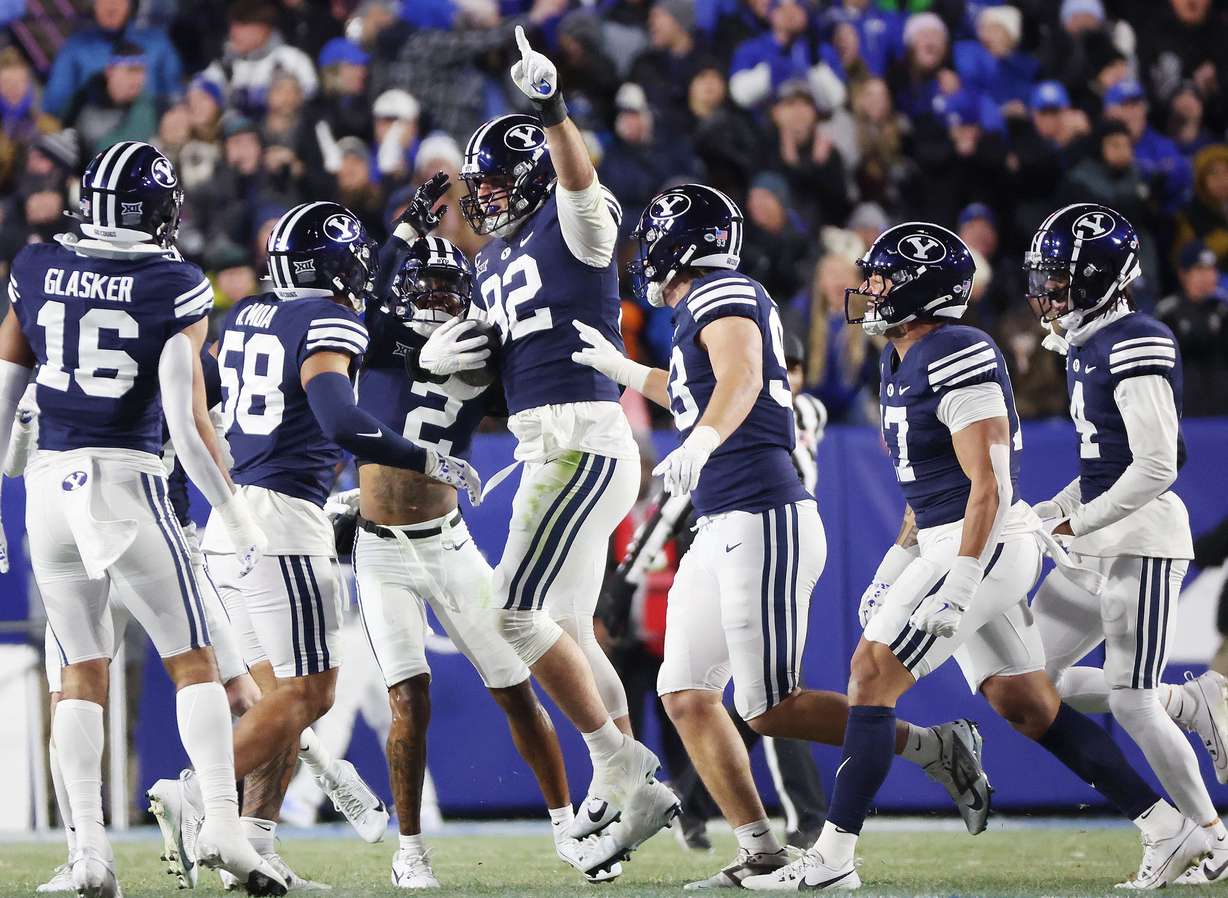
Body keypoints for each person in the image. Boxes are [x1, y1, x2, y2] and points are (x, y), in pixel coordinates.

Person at [740, 221, 1194, 892]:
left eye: (882, 279)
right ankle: (1167, 826)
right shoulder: (902, 355)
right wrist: (896, 563)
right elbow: (927, 488)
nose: (867, 290)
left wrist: (958, 580)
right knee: (1024, 702)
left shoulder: (958, 349)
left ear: (921, 290)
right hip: (951, 538)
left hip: (982, 543)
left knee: (871, 674)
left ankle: (832, 859)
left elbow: (991, 483)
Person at [570, 186, 998, 888]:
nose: (642, 254)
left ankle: (932, 747)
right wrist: (621, 370)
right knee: (684, 694)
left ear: (681, 243)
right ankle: (762, 849)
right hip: (722, 521)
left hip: (762, 514)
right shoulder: (697, 312)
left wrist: (704, 439)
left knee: (767, 707)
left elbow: (736, 377)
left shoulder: (721, 291)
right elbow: (691, 387)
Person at [149, 201, 475, 891]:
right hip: (284, 527)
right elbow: (342, 420)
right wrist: (430, 461)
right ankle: (198, 793)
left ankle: (256, 847)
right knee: (311, 695)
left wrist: (402, 238)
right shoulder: (326, 320)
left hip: (230, 522)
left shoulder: (244, 315)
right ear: (333, 268)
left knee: (281, 708)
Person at [416, 28, 677, 872]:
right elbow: (498, 371)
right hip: (545, 444)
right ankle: (627, 790)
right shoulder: (491, 261)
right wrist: (440, 357)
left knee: (510, 614)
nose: (483, 197)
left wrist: (554, 108)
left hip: (583, 441)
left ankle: (621, 767)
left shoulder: (577, 224)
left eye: (494, 183)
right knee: (565, 627)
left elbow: (580, 179)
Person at [0, 141, 284, 897]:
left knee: (78, 678)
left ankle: (90, 856)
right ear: (157, 212)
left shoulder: (33, 266)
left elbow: (4, 388)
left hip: (48, 491)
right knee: (194, 663)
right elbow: (188, 428)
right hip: (129, 482)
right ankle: (223, 826)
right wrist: (236, 516)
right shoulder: (173, 283)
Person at [343, 176, 621, 885]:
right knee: (408, 699)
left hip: (449, 541)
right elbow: (370, 294)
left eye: (448, 289)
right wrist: (404, 234)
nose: (436, 301)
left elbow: (536, 371)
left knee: (515, 685)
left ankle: (568, 827)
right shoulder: (375, 339)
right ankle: (411, 851)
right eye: (423, 288)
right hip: (380, 552)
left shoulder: (484, 350)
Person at [1024, 203, 1228, 886]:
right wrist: (1054, 507)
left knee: (1131, 699)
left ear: (1098, 279)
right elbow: (1101, 468)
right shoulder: (1090, 341)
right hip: (1099, 539)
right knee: (1034, 681)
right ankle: (1191, 704)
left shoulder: (1137, 337)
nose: (1047, 291)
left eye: (1058, 278)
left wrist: (1076, 525)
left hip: (1138, 539)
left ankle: (1208, 834)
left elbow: (1157, 464)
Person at [1157, 241, 1228, 415]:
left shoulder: (1224, 310)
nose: (1208, 276)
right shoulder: (1168, 312)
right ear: (1184, 274)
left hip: (1223, 406)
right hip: (1183, 408)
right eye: (1200, 269)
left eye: (1211, 269)